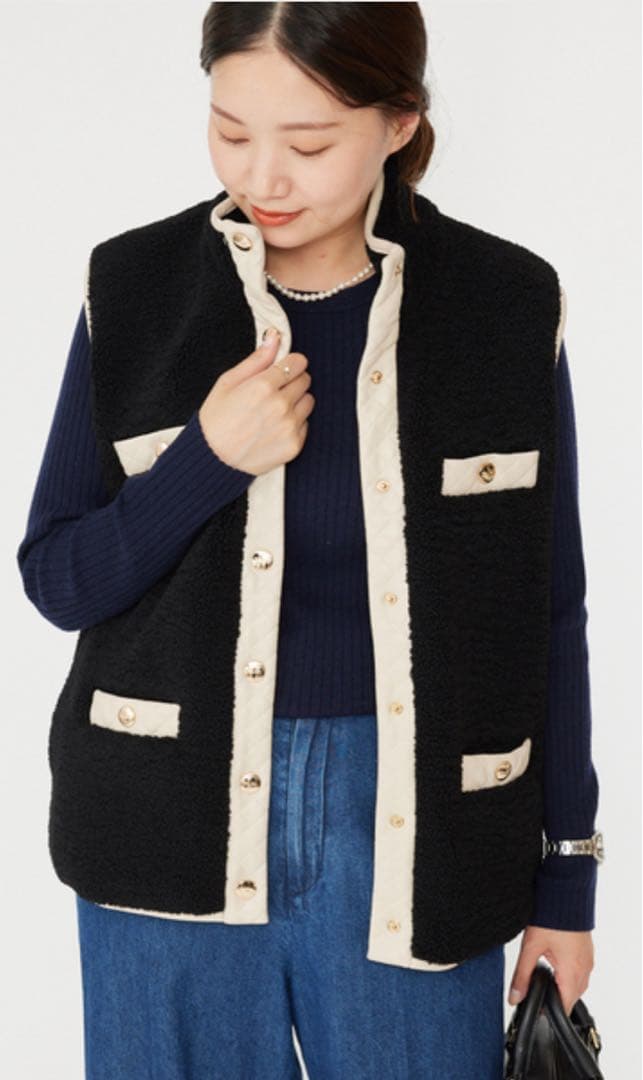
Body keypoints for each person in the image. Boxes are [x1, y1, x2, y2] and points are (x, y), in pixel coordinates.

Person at [16, 4, 602, 1077]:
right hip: (163, 823)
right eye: (230, 131)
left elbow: (548, 612)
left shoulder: (505, 305)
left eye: (310, 142)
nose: (263, 176)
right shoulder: (135, 291)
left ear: (398, 122)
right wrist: (206, 458)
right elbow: (58, 578)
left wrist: (567, 881)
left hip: (421, 834)